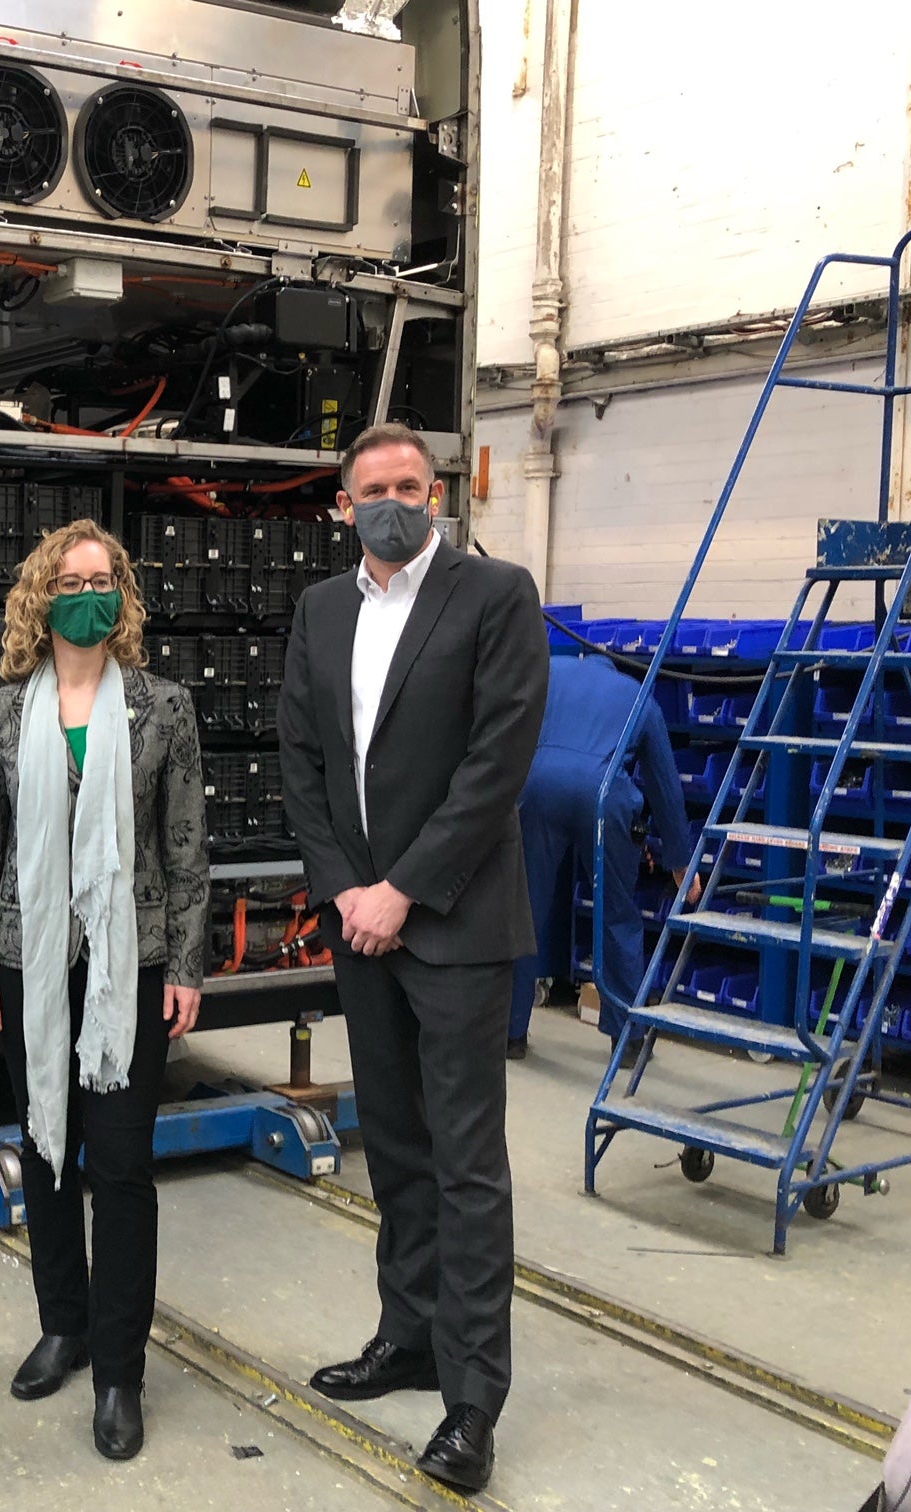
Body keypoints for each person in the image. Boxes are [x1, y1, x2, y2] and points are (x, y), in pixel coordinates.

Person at [277, 422, 548, 1494]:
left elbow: (498, 759)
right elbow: (304, 756)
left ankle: (473, 1399)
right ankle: (411, 1334)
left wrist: (404, 888)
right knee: (392, 1145)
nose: (392, 500)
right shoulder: (322, 609)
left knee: (467, 1162)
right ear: (343, 507)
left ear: (435, 493)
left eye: (408, 483)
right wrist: (346, 887)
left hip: (455, 924)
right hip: (361, 923)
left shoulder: (495, 595)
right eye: (371, 488)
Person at [0, 519, 209, 1463]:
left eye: (102, 579)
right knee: (44, 1146)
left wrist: (186, 968)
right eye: (70, 579)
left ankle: (118, 1371)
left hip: (127, 965)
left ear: (123, 597)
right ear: (40, 596)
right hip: (28, 964)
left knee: (121, 1164)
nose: (86, 592)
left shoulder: (162, 709)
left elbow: (187, 852)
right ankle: (61, 1323)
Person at [507, 652, 696, 1057]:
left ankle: (509, 1033)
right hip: (605, 794)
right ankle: (625, 1039)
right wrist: (681, 862)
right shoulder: (639, 695)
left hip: (537, 787)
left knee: (524, 911)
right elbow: (664, 784)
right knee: (616, 915)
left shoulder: (550, 671)